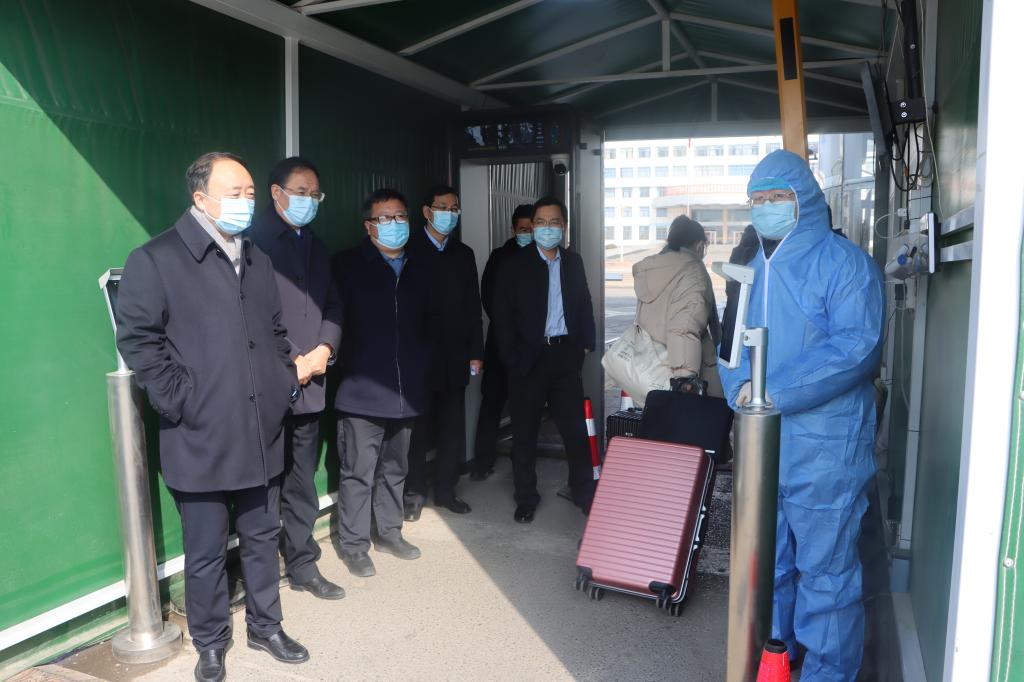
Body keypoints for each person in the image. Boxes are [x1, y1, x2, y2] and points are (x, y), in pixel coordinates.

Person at [115, 152, 309, 682]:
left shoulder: (257, 258)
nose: (246, 202)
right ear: (200, 198)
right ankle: (211, 642)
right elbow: (139, 340)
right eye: (234, 193)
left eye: (251, 193)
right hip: (198, 434)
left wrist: (280, 385)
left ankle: (267, 626)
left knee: (262, 538)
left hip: (261, 429)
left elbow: (274, 331)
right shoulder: (156, 258)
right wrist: (183, 398)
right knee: (204, 551)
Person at [719, 150, 884, 681]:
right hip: (763, 443)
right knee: (770, 563)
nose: (766, 207)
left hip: (824, 449)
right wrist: (740, 391)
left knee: (826, 572)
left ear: (805, 200)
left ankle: (828, 673)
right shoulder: (747, 272)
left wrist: (772, 391)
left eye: (777, 197)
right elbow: (729, 347)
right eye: (757, 199)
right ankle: (778, 658)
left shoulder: (843, 264)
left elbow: (856, 347)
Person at [249, 157, 343, 601]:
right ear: (276, 193)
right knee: (263, 485)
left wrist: (325, 348)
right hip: (268, 385)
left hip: (312, 384)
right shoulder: (253, 244)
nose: (309, 201)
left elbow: (334, 304)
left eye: (315, 194)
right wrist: (293, 362)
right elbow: (250, 316)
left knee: (302, 482)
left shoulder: (318, 247)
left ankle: (303, 564)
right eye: (301, 192)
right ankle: (262, 576)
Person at [332, 188, 433, 578]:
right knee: (358, 472)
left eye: (401, 216)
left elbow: (430, 324)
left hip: (406, 391)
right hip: (361, 391)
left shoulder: (418, 266)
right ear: (368, 225)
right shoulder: (346, 266)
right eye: (385, 218)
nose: (395, 224)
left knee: (395, 467)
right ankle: (354, 545)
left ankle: (390, 532)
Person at [492, 196, 596, 524]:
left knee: (575, 431)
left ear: (564, 227)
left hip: (564, 357)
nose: (547, 228)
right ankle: (526, 497)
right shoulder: (514, 264)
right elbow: (502, 316)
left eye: (553, 223)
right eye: (540, 222)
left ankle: (582, 491)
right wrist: (511, 358)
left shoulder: (573, 262)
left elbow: (584, 303)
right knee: (524, 433)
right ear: (533, 226)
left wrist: (584, 345)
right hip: (528, 359)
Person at [403, 185, 483, 521]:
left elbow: (473, 307)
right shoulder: (408, 248)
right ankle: (413, 494)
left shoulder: (463, 254)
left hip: (454, 356)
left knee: (452, 427)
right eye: (443, 207)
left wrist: (476, 353)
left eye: (454, 208)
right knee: (417, 429)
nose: (449, 214)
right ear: (426, 211)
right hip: (418, 357)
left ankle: (447, 490)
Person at [470, 204, 535, 480]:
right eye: (523, 229)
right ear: (513, 230)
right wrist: (510, 326)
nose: (528, 234)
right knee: (492, 404)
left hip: (532, 348)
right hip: (500, 345)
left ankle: (523, 467)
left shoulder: (545, 256)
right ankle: (482, 463)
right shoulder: (500, 257)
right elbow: (488, 296)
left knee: (526, 409)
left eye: (532, 229)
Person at [632, 215, 723, 397]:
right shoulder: (692, 271)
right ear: (699, 245)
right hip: (680, 375)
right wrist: (685, 380)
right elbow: (684, 327)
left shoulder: (652, 270)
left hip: (649, 367)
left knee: (655, 413)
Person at [718, 224, 760, 362]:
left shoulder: (736, 252)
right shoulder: (758, 254)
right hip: (751, 307)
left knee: (732, 350)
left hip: (732, 307)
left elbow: (729, 285)